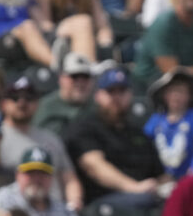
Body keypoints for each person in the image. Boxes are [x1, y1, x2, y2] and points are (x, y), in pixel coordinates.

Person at [65, 67, 169, 208]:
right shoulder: (85, 127)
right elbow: (94, 167)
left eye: (122, 91)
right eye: (111, 92)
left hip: (145, 195)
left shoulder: (137, 132)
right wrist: (135, 187)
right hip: (103, 203)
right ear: (98, 96)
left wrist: (171, 188)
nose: (117, 97)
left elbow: (160, 175)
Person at [0, 76, 84, 210]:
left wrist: (74, 203)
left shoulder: (51, 139)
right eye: (15, 97)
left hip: (55, 213)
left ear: (37, 103)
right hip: (16, 214)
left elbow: (69, 179)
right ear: (3, 103)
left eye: (29, 98)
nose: (22, 102)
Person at [143, 68, 193, 182]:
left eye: (181, 91)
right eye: (172, 91)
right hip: (160, 179)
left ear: (190, 96)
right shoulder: (156, 119)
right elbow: (144, 144)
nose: (176, 96)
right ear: (164, 95)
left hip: (189, 178)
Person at [33, 0, 114, 51]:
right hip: (57, 41)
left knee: (85, 23)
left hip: (86, 38)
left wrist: (105, 43)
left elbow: (102, 25)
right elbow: (45, 27)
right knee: (83, 22)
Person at [31, 53, 96, 137]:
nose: (81, 83)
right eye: (74, 76)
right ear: (61, 78)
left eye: (86, 77)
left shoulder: (98, 108)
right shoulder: (43, 107)